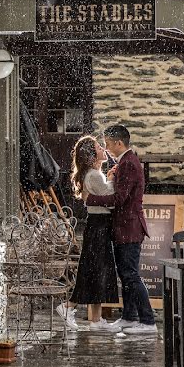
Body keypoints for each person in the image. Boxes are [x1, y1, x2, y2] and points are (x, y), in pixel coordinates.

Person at [85, 124, 157, 335]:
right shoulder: (125, 162)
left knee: (131, 274)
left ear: (118, 143)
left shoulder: (128, 164)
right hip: (124, 227)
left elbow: (120, 199)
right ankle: (129, 317)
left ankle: (147, 321)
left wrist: (92, 199)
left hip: (129, 227)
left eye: (107, 144)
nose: (106, 149)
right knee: (125, 274)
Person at [56, 136, 119, 331]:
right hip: (98, 227)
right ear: (92, 155)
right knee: (94, 270)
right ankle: (68, 306)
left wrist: (107, 178)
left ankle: (96, 320)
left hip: (97, 226)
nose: (103, 149)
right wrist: (113, 179)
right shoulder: (94, 175)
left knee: (95, 270)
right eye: (99, 147)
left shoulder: (93, 174)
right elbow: (109, 196)